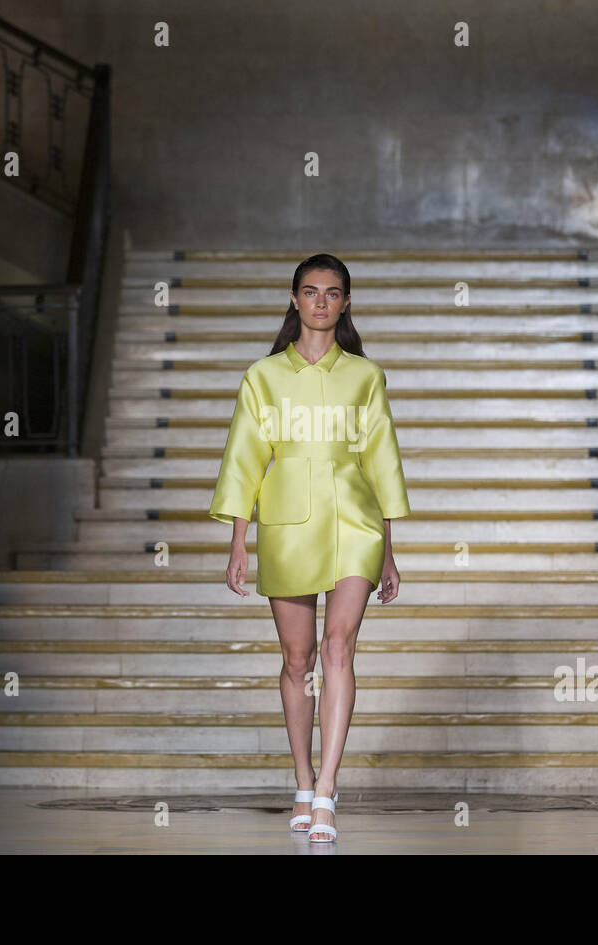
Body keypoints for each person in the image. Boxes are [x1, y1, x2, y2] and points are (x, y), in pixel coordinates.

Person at [208, 253, 411, 843]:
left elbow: (381, 463)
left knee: (337, 647)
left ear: (346, 303)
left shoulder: (365, 377)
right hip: (288, 520)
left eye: (332, 292)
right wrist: (238, 540)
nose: (321, 301)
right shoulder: (263, 376)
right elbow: (246, 458)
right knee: (297, 661)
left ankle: (326, 789)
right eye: (310, 291)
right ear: (294, 300)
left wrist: (389, 551)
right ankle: (301, 779)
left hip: (355, 520)